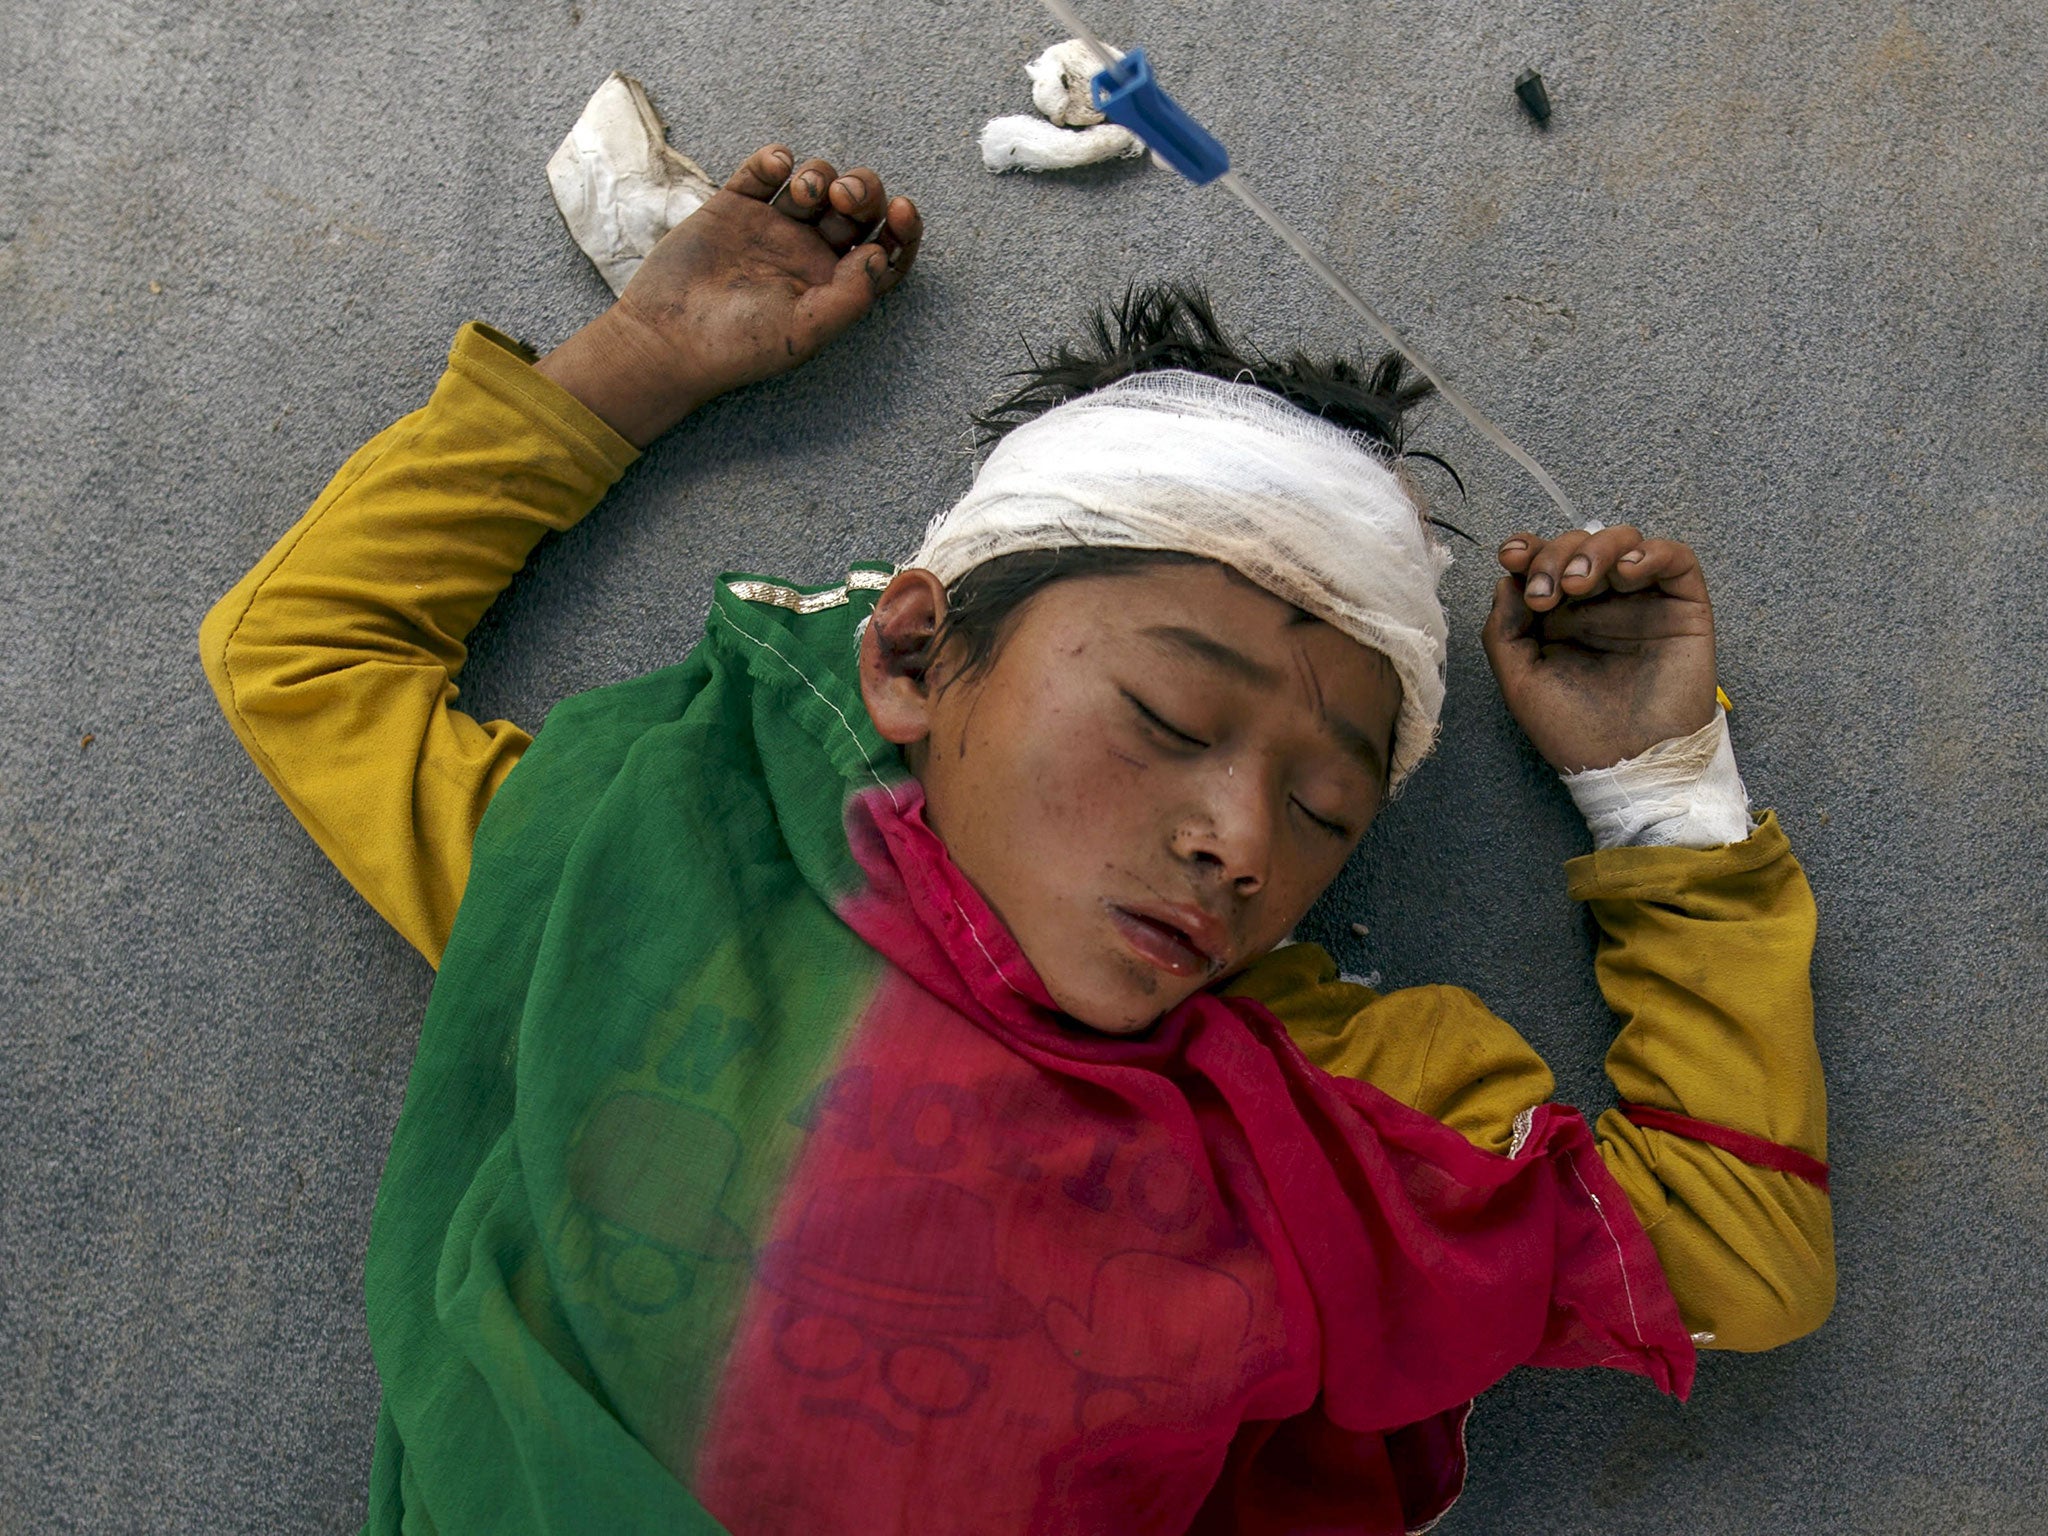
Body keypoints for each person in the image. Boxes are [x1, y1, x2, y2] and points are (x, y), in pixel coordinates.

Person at [199, 144, 1832, 1535]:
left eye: (1330, 809)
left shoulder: (1332, 1102)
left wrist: (1659, 790)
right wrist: (643, 356)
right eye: (1170, 725)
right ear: (912, 661)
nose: (1240, 839)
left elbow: (1741, 1253)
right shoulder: (668, 868)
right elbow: (302, 657)